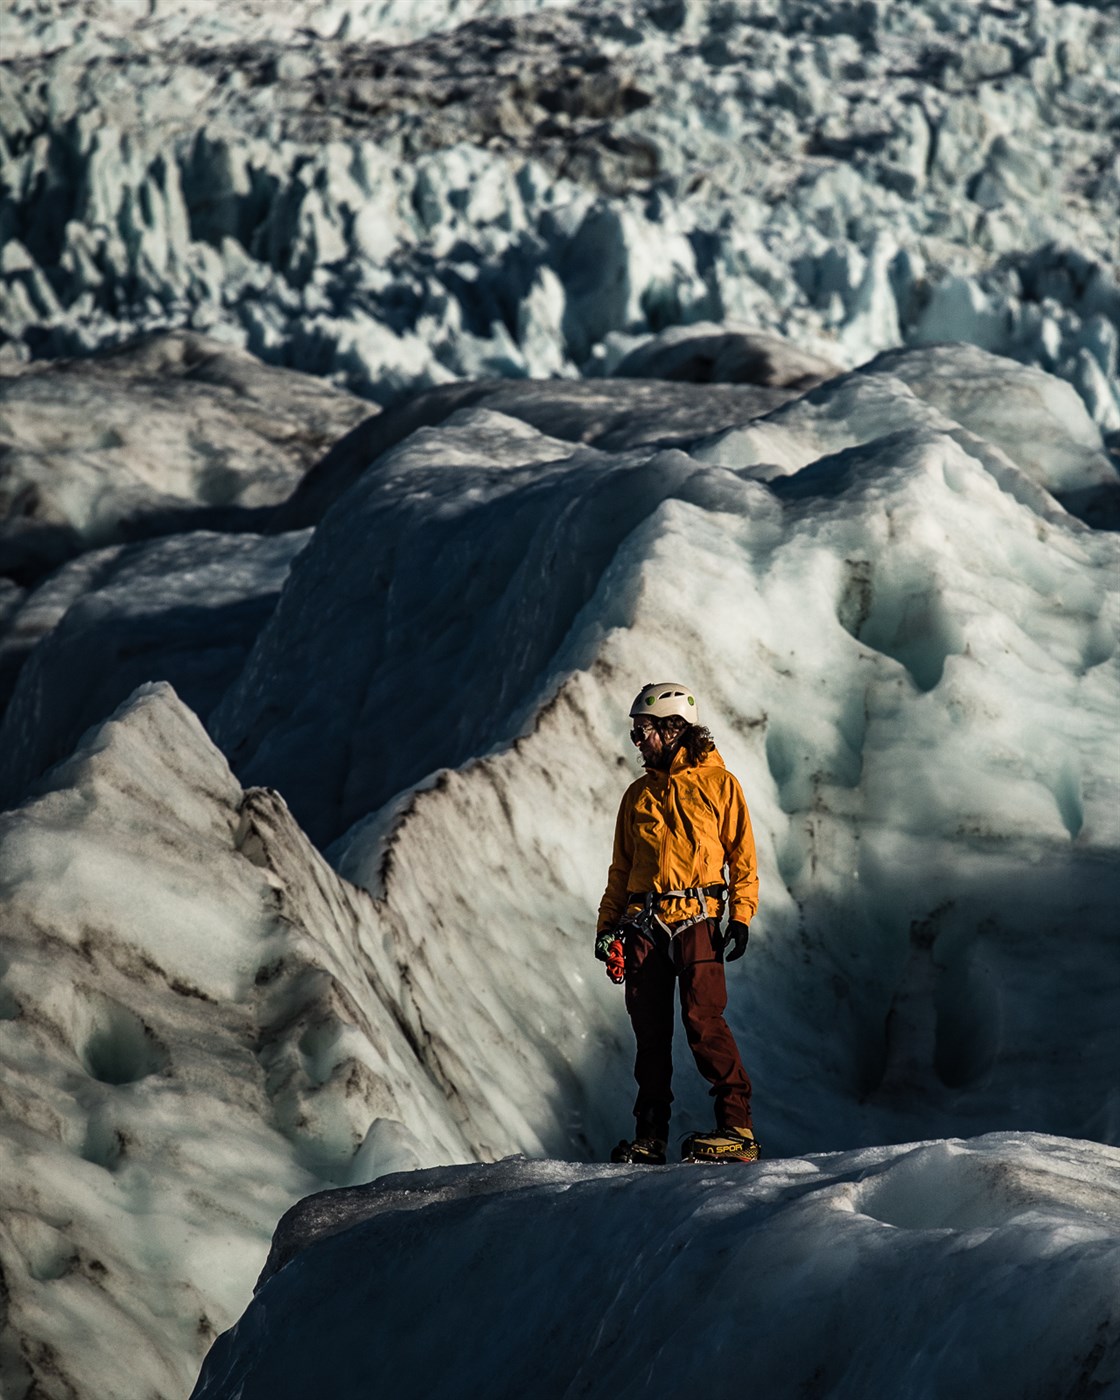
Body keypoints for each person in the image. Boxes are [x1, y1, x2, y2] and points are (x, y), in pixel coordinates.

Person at [595, 681, 759, 1164]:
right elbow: (621, 871)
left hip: (698, 921)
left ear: (671, 729)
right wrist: (607, 928)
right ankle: (650, 1139)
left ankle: (737, 1129)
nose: (636, 741)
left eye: (641, 731)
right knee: (650, 1035)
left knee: (703, 1022)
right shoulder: (637, 797)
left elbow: (741, 857)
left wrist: (741, 914)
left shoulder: (718, 785)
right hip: (643, 926)